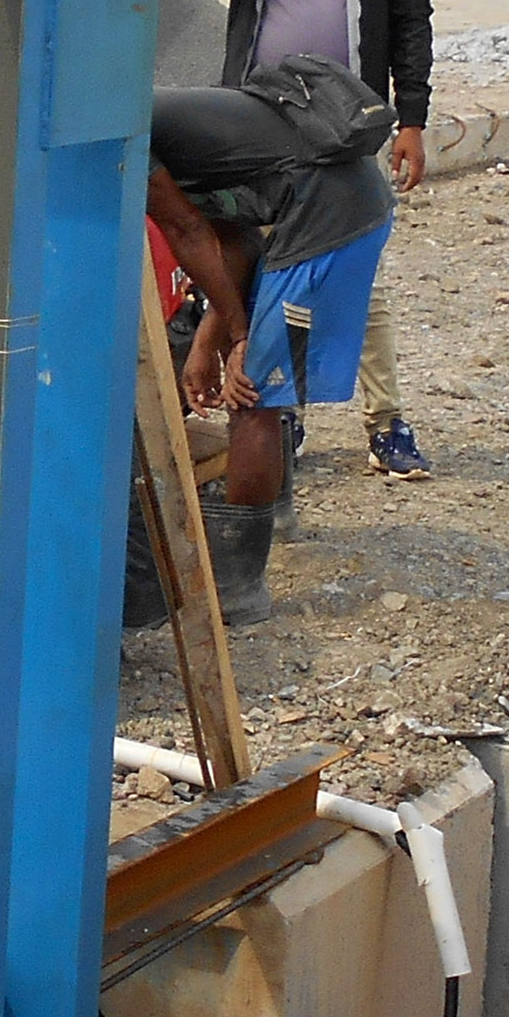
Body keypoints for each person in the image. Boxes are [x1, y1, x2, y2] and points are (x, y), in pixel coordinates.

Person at [165, 0, 437, 479]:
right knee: (259, 264)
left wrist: (411, 118)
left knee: (351, 266)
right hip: (255, 118)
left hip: (343, 124)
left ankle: (384, 419)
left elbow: (411, 19)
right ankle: (283, 415)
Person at [145, 60, 397, 621]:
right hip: (330, 205)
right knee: (256, 375)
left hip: (329, 217)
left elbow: (188, 231)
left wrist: (240, 338)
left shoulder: (129, 133)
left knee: (254, 394)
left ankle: (238, 589)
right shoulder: (189, 136)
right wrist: (212, 341)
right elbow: (235, 244)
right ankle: (273, 514)